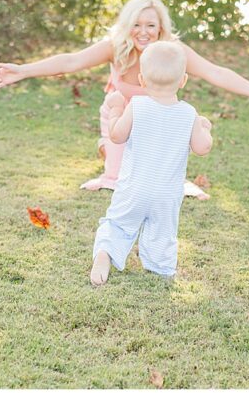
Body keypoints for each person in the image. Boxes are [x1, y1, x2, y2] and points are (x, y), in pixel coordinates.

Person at [0, 0, 249, 199]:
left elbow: (216, 72)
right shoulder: (115, 48)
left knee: (155, 182)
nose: (144, 32)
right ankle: (111, 153)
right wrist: (23, 71)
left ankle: (126, 157)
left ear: (161, 28)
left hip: (157, 124)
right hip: (121, 121)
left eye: (151, 25)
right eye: (137, 24)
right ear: (127, 25)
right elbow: (70, 61)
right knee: (120, 173)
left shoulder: (174, 52)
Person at [89, 42, 213, 285]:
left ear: (142, 80)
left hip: (133, 189)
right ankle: (161, 268)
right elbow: (202, 148)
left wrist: (115, 108)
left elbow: (116, 135)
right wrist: (205, 128)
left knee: (118, 223)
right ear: (183, 80)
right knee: (163, 233)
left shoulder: (137, 105)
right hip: (166, 194)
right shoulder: (189, 113)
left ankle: (105, 253)